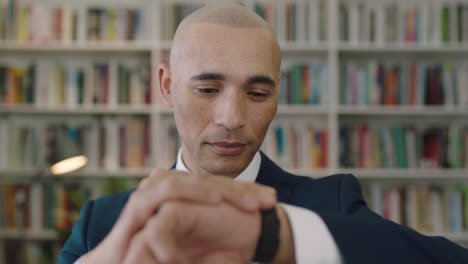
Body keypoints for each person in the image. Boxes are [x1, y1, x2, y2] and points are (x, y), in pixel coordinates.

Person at [59, 3, 468, 264]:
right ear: (166, 86)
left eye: (257, 93)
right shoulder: (102, 221)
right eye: (207, 89)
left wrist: (276, 234)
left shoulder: (331, 202)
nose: (232, 117)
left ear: (277, 94)